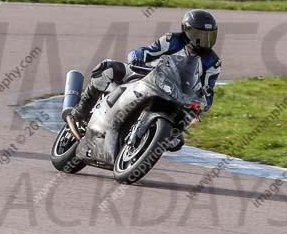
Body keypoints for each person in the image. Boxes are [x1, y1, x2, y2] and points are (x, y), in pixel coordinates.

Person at [71, 9, 221, 144]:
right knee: (107, 69)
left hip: (178, 95)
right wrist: (137, 58)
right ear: (186, 30)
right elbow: (146, 51)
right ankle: (81, 111)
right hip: (147, 75)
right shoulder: (172, 40)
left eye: (209, 36)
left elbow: (208, 89)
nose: (204, 40)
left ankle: (152, 136)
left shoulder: (213, 62)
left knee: (176, 139)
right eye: (199, 35)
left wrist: (203, 104)